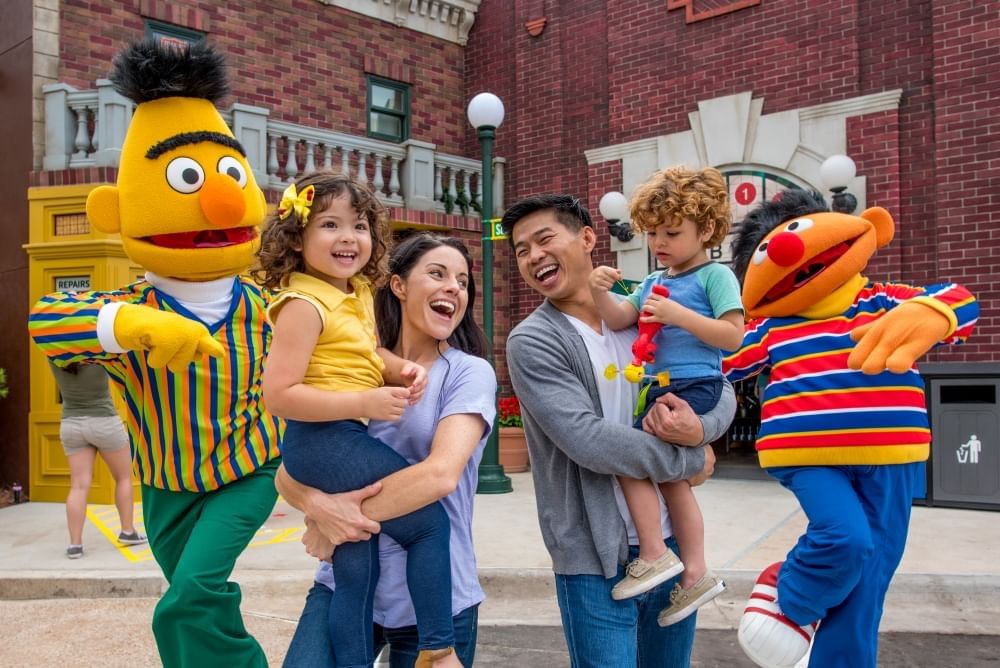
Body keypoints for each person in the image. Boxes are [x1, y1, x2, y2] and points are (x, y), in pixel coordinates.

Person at [28, 40, 282, 667]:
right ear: (113, 211)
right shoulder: (127, 305)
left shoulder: (268, 305)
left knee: (188, 596)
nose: (218, 203)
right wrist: (128, 325)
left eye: (228, 179)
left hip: (249, 473)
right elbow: (47, 322)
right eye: (188, 181)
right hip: (166, 484)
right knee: (205, 597)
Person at [725, 190, 978, 668]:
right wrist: (657, 372)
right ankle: (790, 592)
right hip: (810, 456)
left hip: (891, 457)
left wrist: (932, 312)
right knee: (846, 538)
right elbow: (722, 361)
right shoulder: (772, 326)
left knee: (869, 580)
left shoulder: (883, 299)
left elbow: (961, 303)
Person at [501, 194, 736, 668]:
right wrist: (692, 458)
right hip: (594, 557)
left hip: (670, 547)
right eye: (521, 250)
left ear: (588, 238)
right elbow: (589, 440)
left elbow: (717, 381)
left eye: (544, 239)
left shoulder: (645, 305)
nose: (533, 257)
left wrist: (701, 430)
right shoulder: (533, 340)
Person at [256, 174, 463, 668]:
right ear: (296, 238)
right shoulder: (302, 305)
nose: (350, 237)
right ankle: (438, 647)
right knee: (429, 524)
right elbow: (278, 396)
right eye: (330, 224)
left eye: (360, 225)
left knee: (356, 555)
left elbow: (365, 352)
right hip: (323, 439)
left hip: (334, 440)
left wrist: (397, 367)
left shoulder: (353, 295)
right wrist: (364, 403)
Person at [588, 167, 743, 624]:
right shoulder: (653, 281)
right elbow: (619, 319)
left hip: (696, 384)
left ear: (708, 230)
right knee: (669, 478)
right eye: (653, 232)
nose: (660, 241)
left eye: (672, 232)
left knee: (631, 459)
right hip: (658, 388)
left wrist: (678, 314)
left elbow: (732, 336)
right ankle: (692, 572)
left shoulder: (716, 275)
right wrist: (599, 292)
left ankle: (656, 552)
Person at [49, 360, 147, 559]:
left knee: (78, 485)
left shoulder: (52, 355)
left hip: (71, 423)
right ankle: (128, 531)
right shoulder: (96, 353)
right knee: (123, 478)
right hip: (104, 422)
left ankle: (75, 545)